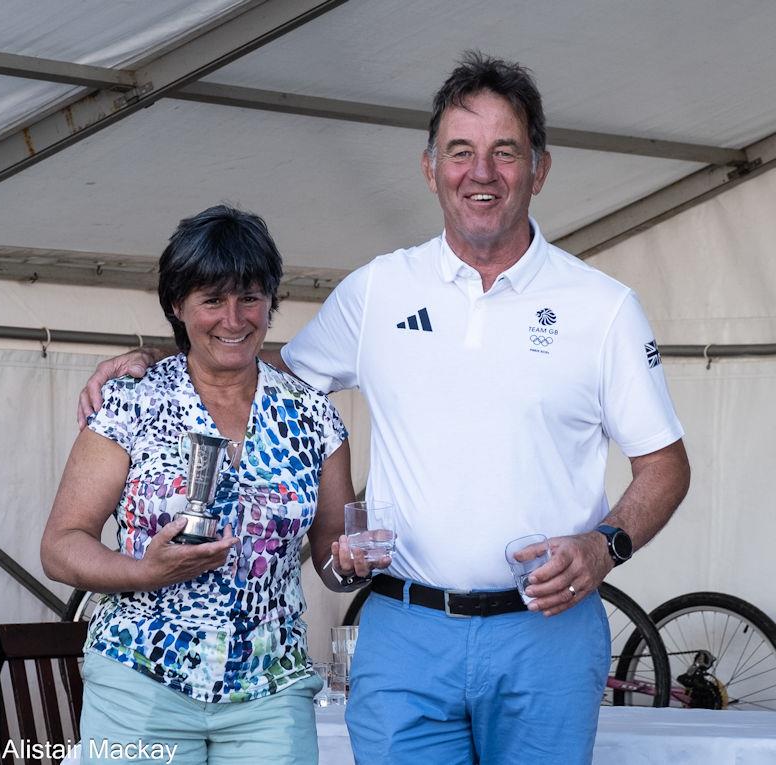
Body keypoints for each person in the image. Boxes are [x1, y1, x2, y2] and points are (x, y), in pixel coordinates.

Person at [76, 53, 690, 765]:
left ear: (540, 168)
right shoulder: (379, 290)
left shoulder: (604, 307)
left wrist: (604, 544)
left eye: (504, 152)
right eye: (461, 152)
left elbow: (665, 465)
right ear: (430, 168)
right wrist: (157, 362)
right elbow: (264, 364)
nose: (481, 173)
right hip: (406, 633)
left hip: (545, 631)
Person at [42, 205, 377, 765]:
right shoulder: (133, 401)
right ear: (177, 305)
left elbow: (329, 557)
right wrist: (142, 573)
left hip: (270, 690)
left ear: (273, 300)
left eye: (250, 297)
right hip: (142, 679)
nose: (234, 318)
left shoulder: (314, 416)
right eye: (212, 300)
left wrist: (349, 564)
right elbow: (60, 544)